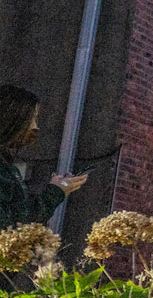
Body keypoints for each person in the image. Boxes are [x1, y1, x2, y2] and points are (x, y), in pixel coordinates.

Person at [0, 84, 87, 228]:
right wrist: (56, 192)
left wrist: (57, 189)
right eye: (32, 118)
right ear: (12, 119)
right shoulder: (3, 171)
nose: (35, 127)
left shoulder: (6, 166)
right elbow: (16, 222)